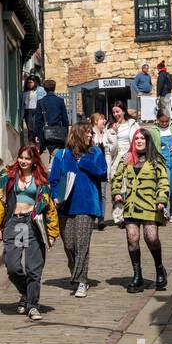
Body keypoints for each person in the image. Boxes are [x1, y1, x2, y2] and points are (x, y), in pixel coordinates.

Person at [0, 144, 59, 322]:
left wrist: (52, 233)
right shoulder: (8, 177)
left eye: (28, 158)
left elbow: (50, 208)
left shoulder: (41, 181)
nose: (23, 161)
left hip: (32, 223)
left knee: (33, 268)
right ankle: (25, 293)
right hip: (14, 223)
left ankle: (33, 305)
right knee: (12, 266)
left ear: (34, 160)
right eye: (21, 157)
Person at [49, 123, 107, 298]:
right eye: (87, 132)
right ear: (77, 134)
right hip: (65, 205)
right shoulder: (62, 154)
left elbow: (103, 172)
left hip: (87, 205)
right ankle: (77, 273)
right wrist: (55, 196)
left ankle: (81, 281)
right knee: (69, 245)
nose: (90, 135)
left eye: (91, 132)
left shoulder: (94, 152)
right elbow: (53, 180)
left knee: (82, 244)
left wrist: (84, 163)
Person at [112, 128, 170, 293]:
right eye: (136, 138)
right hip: (131, 205)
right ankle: (137, 276)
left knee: (151, 237)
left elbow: (163, 181)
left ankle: (159, 268)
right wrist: (116, 192)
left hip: (151, 205)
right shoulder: (127, 158)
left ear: (147, 141)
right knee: (132, 237)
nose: (138, 141)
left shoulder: (156, 159)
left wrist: (161, 199)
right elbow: (117, 177)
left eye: (142, 139)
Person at [147, 104, 172, 219]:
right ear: (158, 120)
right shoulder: (153, 130)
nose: (164, 123)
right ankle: (163, 209)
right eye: (162, 121)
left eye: (166, 121)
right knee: (164, 187)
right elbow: (151, 147)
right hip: (162, 160)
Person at [104, 101, 138, 190]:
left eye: (117, 111)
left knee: (129, 185)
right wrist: (113, 133)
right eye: (113, 112)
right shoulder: (109, 127)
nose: (115, 114)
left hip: (131, 156)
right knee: (117, 186)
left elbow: (140, 140)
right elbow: (109, 151)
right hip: (117, 157)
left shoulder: (132, 124)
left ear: (123, 111)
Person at [35, 79, 69, 157]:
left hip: (45, 134)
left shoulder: (41, 102)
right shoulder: (60, 101)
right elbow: (65, 119)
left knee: (46, 153)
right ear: (54, 88)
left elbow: (38, 120)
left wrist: (36, 134)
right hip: (58, 132)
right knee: (59, 154)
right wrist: (66, 132)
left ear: (44, 89)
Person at [90, 111, 109, 229]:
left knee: (102, 193)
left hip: (103, 168)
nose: (105, 121)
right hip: (92, 169)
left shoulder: (106, 134)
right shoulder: (90, 134)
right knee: (93, 192)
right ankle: (92, 216)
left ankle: (101, 218)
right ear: (96, 121)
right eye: (102, 119)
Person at [22, 76, 39, 145]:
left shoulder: (37, 92)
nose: (30, 84)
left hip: (35, 109)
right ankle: (31, 142)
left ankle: (36, 141)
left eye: (31, 82)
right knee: (30, 128)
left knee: (35, 126)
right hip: (27, 110)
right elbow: (22, 104)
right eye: (28, 83)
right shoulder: (25, 93)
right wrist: (21, 115)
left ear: (34, 83)